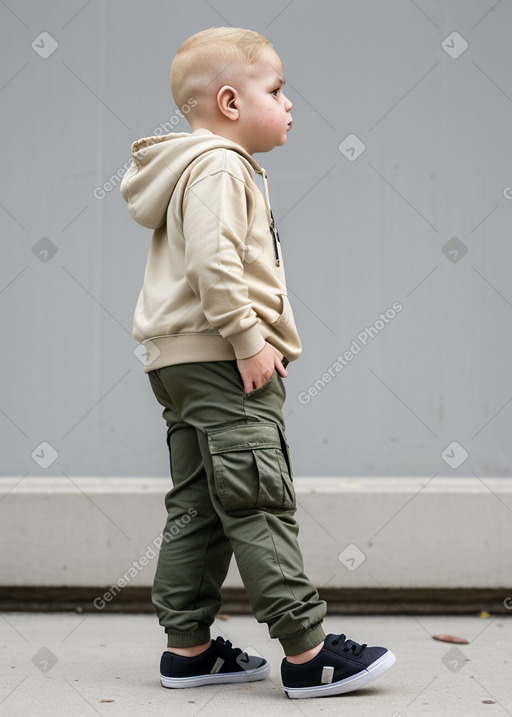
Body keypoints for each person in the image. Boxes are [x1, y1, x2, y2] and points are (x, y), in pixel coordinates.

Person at [120, 26, 395, 700]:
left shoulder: (188, 167)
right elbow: (213, 263)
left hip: (177, 359)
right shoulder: (219, 165)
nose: (289, 102)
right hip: (219, 354)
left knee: (202, 503)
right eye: (276, 89)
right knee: (256, 495)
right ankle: (307, 653)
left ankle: (188, 647)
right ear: (229, 102)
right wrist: (248, 338)